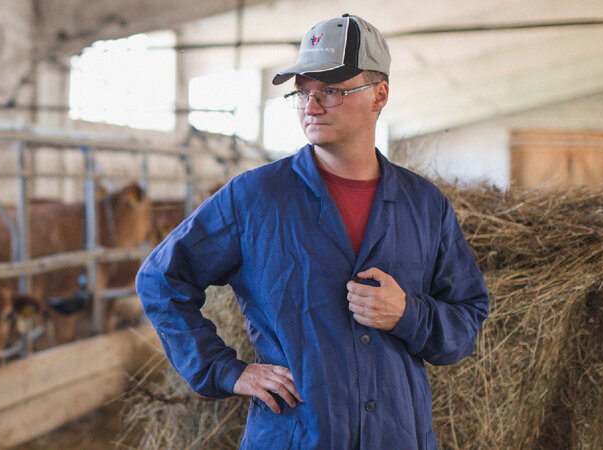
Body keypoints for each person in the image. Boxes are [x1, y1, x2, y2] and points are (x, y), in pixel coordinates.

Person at [135, 13, 489, 449]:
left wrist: (408, 314)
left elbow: (467, 318)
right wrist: (228, 370)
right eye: (302, 92)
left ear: (380, 96)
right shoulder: (256, 197)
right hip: (297, 435)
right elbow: (160, 279)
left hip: (397, 436)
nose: (312, 106)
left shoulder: (424, 204)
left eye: (333, 91)